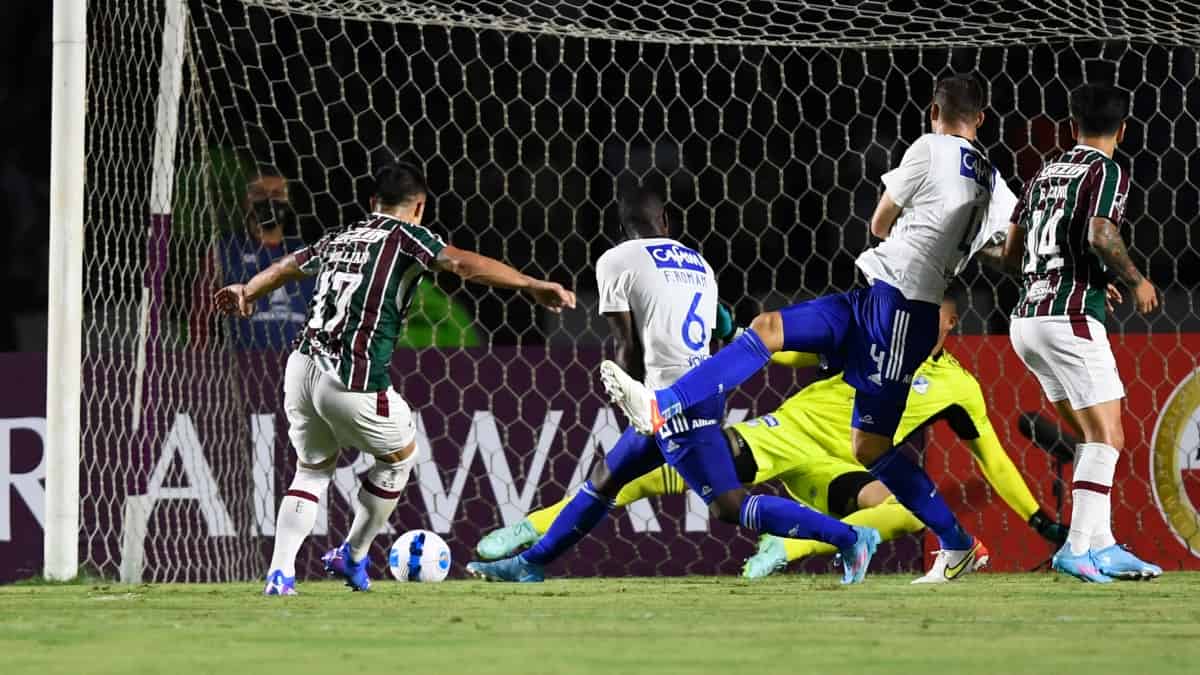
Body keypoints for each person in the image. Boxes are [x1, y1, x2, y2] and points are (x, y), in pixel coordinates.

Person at [602, 74, 1009, 583]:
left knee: (869, 448)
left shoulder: (929, 147)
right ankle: (663, 404)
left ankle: (958, 545)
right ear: (983, 118)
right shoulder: (993, 179)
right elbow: (1006, 247)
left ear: (933, 111)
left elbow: (880, 223)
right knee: (769, 327)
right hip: (877, 298)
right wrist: (960, 245)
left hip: (900, 308)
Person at [474, 295, 1067, 577]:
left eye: (929, 315)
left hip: (838, 468)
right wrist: (738, 327)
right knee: (659, 470)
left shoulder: (958, 387)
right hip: (789, 433)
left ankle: (793, 546)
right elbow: (787, 355)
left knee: (909, 511)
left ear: (950, 322)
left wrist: (1038, 518)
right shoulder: (876, 337)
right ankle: (536, 526)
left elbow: (992, 459)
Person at [466, 187, 882, 584]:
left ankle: (850, 538)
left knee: (729, 506)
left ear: (621, 225)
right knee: (607, 477)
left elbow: (626, 345)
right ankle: (531, 564)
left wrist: (632, 398)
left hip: (668, 398)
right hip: (702, 387)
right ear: (664, 220)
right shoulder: (698, 263)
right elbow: (717, 327)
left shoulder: (616, 260)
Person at [214, 160, 575, 595]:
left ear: (372, 203)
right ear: (418, 206)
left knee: (310, 471)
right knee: (400, 457)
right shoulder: (407, 237)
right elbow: (461, 265)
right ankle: (353, 554)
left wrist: (247, 290)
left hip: (301, 367)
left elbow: (289, 265)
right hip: (351, 376)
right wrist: (530, 284)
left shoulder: (341, 235)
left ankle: (281, 573)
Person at [1003, 83, 1162, 582]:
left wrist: (1090, 279)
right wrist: (1134, 279)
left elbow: (1011, 251)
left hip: (1026, 319)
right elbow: (1099, 232)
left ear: (1071, 127)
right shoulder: (1107, 170)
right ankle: (1077, 549)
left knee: (1096, 436)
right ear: (1124, 128)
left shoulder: (1042, 173)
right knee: (1108, 435)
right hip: (1068, 319)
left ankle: (1104, 544)